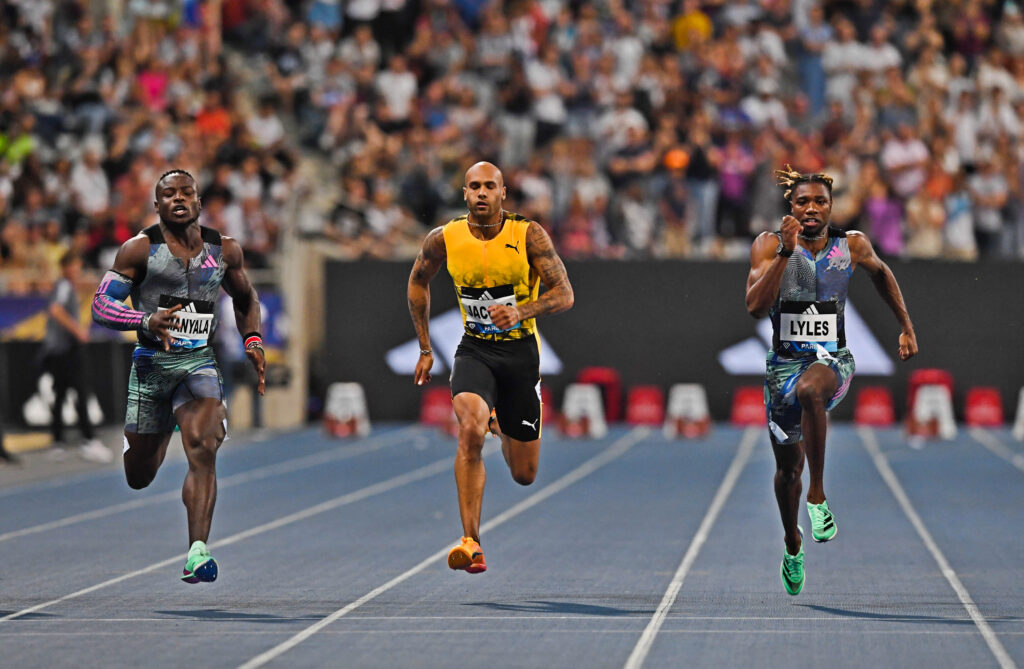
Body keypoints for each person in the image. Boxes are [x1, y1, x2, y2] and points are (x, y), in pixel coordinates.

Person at [745, 166, 918, 595]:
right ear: (791, 206)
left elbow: (882, 273)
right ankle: (792, 543)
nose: (811, 208)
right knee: (788, 471)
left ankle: (818, 498)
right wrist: (785, 254)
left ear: (831, 207)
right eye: (802, 201)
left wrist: (906, 326)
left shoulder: (851, 244)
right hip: (783, 366)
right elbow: (755, 307)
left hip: (831, 359)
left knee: (812, 390)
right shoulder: (768, 244)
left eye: (819, 201)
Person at [91, 170, 266, 584]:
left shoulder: (224, 250)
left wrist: (253, 339)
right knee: (139, 476)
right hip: (152, 366)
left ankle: (197, 551)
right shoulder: (139, 249)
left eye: (187, 192)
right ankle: (156, 431)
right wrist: (143, 319)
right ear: (157, 206)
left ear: (199, 201)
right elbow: (100, 305)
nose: (179, 198)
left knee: (204, 446)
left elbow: (245, 298)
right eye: (169, 194)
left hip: (198, 362)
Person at [407, 161, 574, 573]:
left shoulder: (528, 234)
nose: (481, 193)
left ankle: (499, 424)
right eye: (474, 186)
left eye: (489, 186)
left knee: (524, 474)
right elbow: (417, 281)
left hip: (520, 355)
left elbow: (564, 294)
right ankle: (472, 541)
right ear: (465, 193)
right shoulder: (444, 238)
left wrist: (521, 311)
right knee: (468, 429)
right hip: (475, 351)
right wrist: (425, 347)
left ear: (503, 193)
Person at [41, 250, 112, 463]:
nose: (77, 270)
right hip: (66, 350)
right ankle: (88, 440)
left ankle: (58, 442)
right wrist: (78, 330)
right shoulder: (64, 286)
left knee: (61, 395)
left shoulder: (67, 287)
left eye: (78, 266)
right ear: (65, 267)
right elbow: (55, 310)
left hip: (59, 351)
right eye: (74, 266)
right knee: (80, 391)